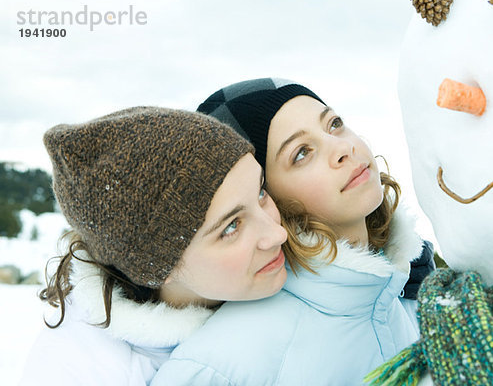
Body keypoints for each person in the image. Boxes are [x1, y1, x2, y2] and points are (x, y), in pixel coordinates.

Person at [151, 79, 435, 385]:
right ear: (263, 196)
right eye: (301, 153)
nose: (342, 147)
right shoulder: (219, 365)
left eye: (334, 123)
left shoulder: (420, 285)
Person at [20, 107, 288, 386]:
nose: (278, 233)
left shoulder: (299, 272)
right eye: (231, 226)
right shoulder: (75, 370)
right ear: (158, 265)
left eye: (260, 192)